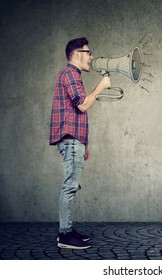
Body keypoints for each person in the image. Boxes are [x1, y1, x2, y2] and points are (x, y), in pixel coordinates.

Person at [49, 37, 110, 249]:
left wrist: (84, 144)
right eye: (88, 52)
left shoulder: (71, 75)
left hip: (74, 140)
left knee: (71, 186)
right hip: (71, 139)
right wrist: (101, 86)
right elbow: (82, 105)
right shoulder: (70, 74)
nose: (92, 57)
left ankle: (67, 229)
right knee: (70, 186)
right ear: (77, 54)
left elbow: (75, 113)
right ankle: (64, 236)